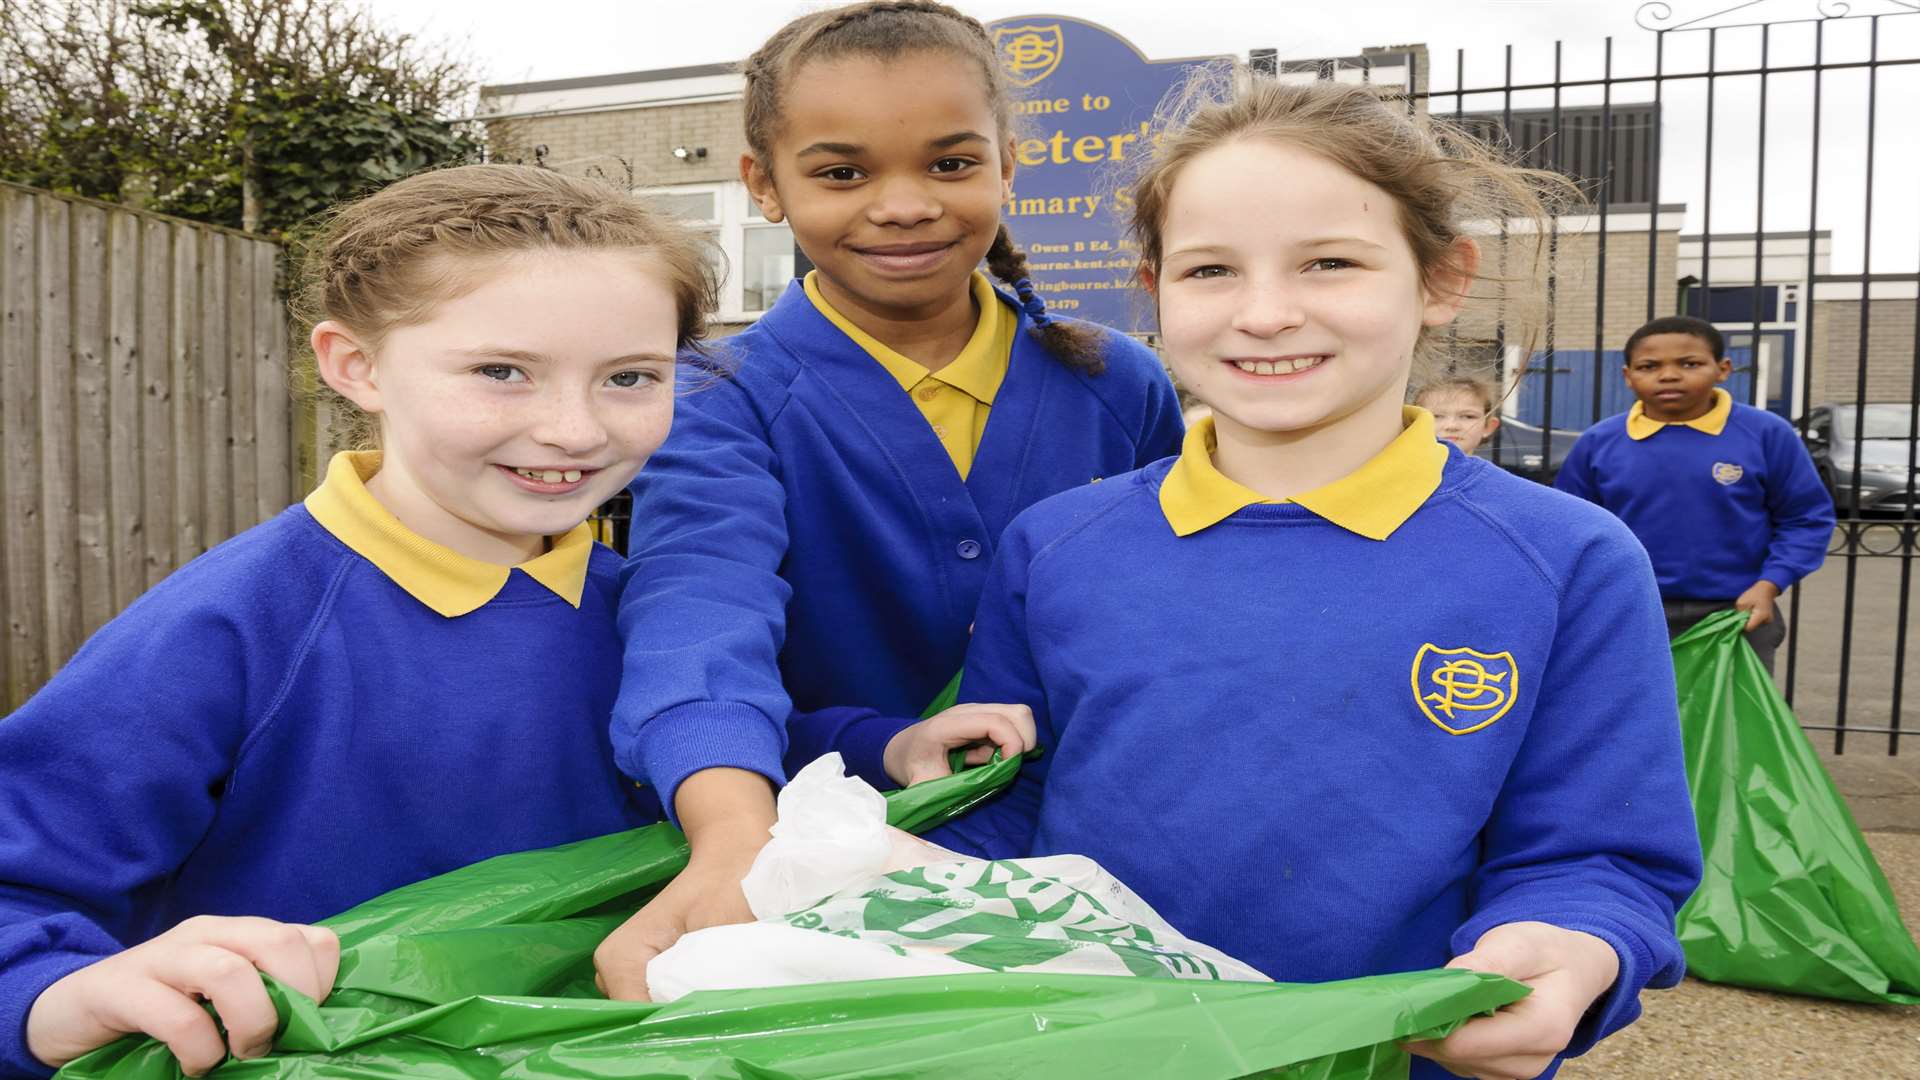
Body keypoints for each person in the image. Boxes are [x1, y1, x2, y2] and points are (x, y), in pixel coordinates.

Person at [930, 71, 1703, 1080]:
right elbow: (1004, 819)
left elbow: (1597, 856)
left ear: (1442, 279)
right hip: (1096, 1055)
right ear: (1155, 289)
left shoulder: (1570, 560)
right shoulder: (1056, 546)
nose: (1265, 314)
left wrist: (1572, 947)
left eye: (1329, 262)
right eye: (1210, 271)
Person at [0, 164, 714, 1078]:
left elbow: (738, 765)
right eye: (502, 371)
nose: (575, 430)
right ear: (356, 366)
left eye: (629, 377)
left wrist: (884, 746)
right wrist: (46, 998)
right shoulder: (230, 624)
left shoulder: (652, 603)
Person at [592, 0, 1185, 999]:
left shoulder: (1121, 383)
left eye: (951, 164)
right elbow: (700, 609)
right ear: (763, 186)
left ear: (1007, 165)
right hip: (838, 886)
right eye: (842, 173)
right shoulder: (715, 396)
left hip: (1111, 865)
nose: (904, 205)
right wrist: (735, 833)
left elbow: (1175, 615)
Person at [1554, 315, 1835, 672]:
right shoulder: (1598, 442)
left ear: (1723, 368)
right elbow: (1570, 530)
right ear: (1627, 376)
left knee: (1730, 725)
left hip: (1736, 611)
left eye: (1690, 363)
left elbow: (1806, 518)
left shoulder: (1766, 434)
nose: (1669, 375)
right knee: (1636, 724)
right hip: (1629, 609)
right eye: (1649, 366)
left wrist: (1770, 584)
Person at [1416, 371, 1502, 457]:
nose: (1451, 426)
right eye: (1436, 416)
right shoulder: (1404, 468)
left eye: (1468, 417)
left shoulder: (1491, 471)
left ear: (1488, 427)